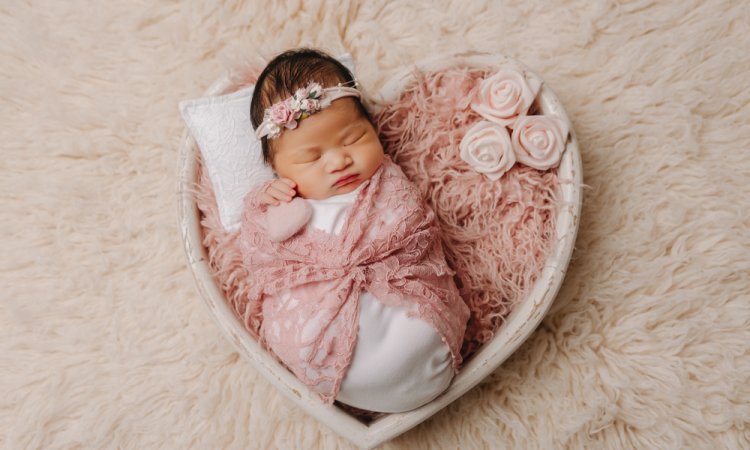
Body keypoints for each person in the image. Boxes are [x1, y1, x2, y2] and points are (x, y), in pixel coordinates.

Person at [240, 48, 470, 413]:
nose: (339, 160)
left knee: (415, 308)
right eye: (312, 157)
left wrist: (358, 259)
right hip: (334, 362)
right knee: (301, 329)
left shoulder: (387, 185)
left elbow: (415, 230)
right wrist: (265, 203)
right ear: (277, 168)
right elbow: (263, 259)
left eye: (352, 139)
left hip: (423, 341)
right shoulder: (286, 201)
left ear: (372, 128)